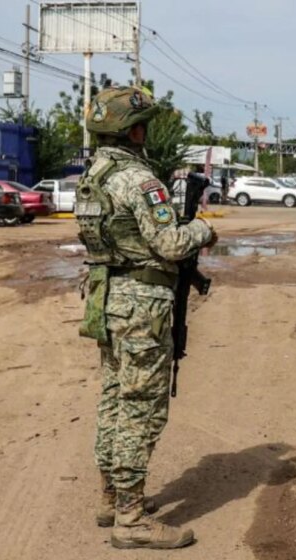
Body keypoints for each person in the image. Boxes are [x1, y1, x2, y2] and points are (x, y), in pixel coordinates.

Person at [75, 86, 217, 549]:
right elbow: (171, 245)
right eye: (143, 125)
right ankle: (131, 520)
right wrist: (203, 228)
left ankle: (111, 498)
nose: (145, 133)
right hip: (142, 305)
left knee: (115, 398)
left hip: (107, 297)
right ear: (132, 130)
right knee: (141, 409)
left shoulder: (92, 175)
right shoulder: (139, 180)